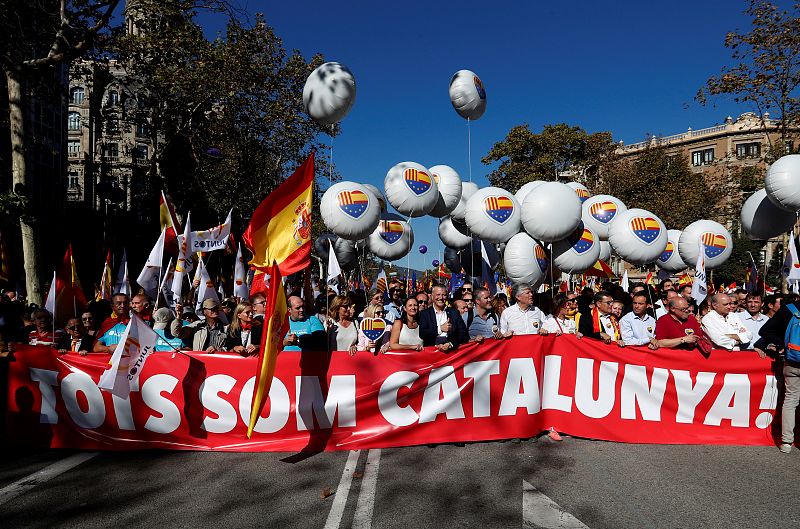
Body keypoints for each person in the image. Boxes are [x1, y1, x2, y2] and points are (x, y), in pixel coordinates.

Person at [753, 300, 800, 452]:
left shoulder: (789, 309)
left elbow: (765, 331)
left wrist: (783, 345)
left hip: (793, 360)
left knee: (790, 400)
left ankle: (786, 442)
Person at [419, 285, 469, 351]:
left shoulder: (454, 313)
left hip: (451, 353)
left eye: (444, 295)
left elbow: (464, 334)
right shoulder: (425, 314)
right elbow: (422, 333)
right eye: (438, 294)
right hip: (431, 353)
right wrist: (440, 329)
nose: (441, 297)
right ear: (432, 296)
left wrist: (451, 344)